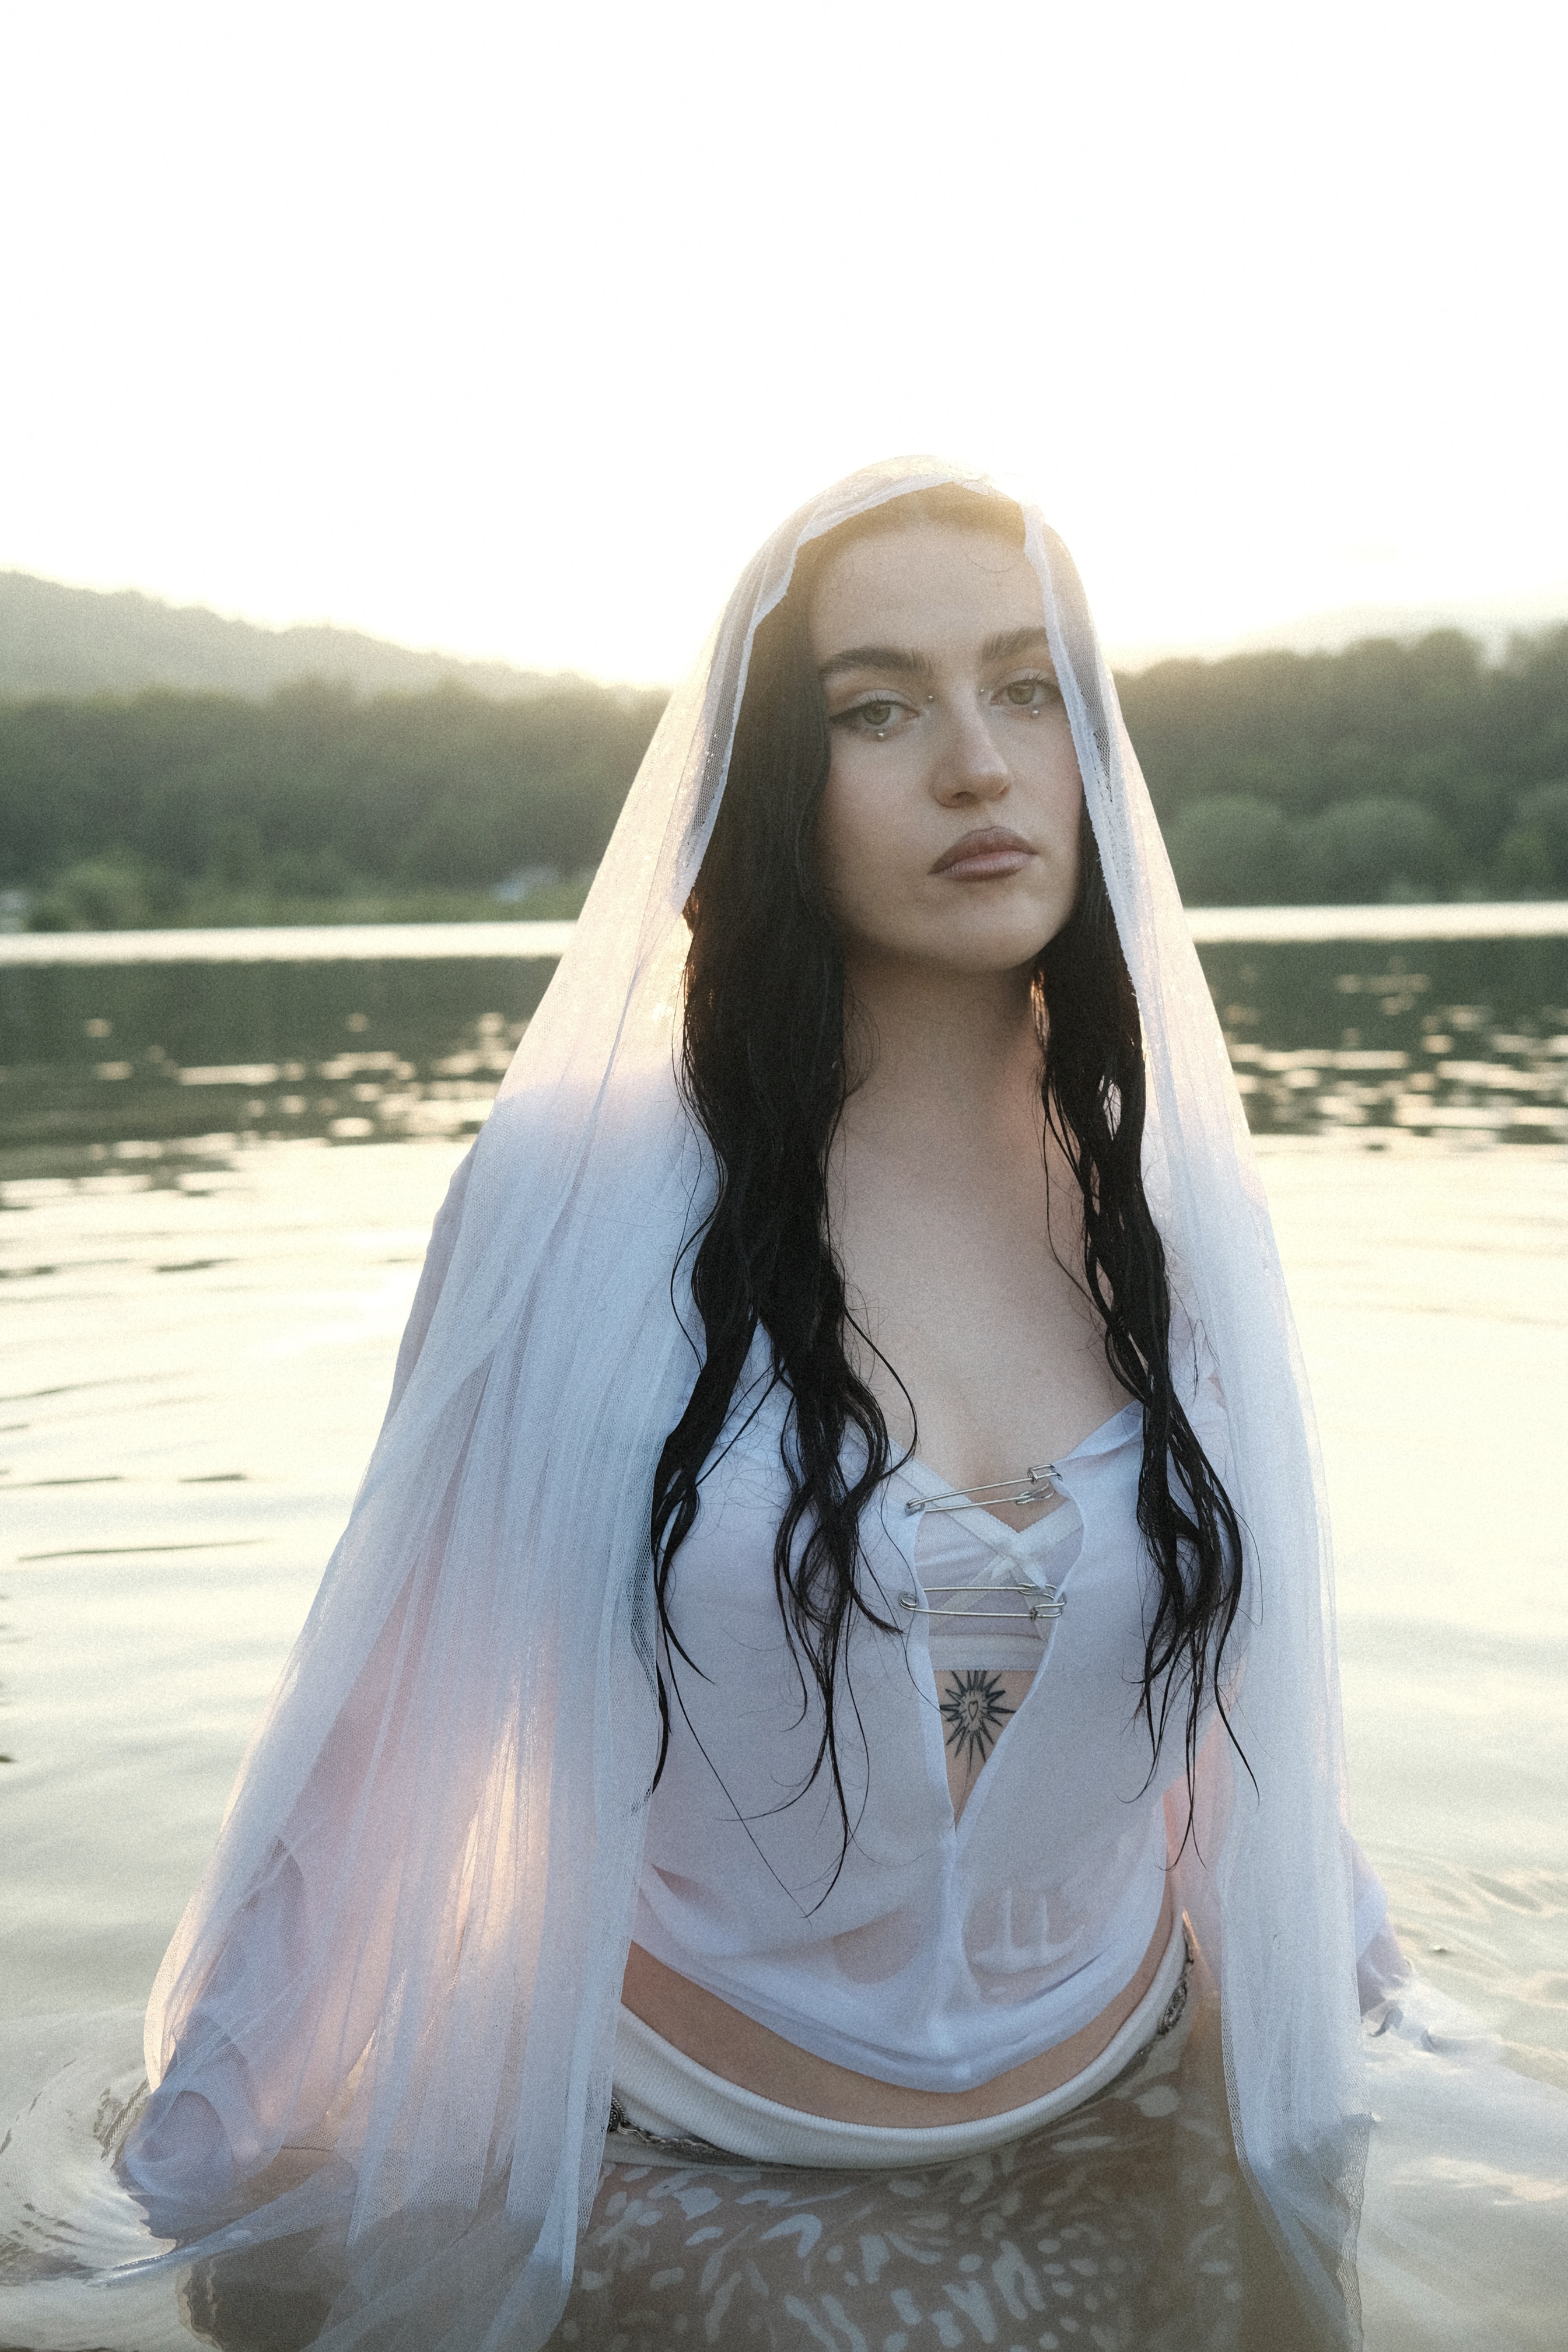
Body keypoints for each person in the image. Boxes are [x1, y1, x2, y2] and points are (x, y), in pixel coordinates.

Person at [112, 461, 1412, 2350]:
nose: (977, 764)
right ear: (768, 781)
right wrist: (192, 2163)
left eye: (1028, 688)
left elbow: (1239, 1711)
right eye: (879, 709)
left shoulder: (1175, 1200)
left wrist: (1373, 2000)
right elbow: (391, 1698)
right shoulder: (580, 1193)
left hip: (1126, 2109)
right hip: (684, 2156)